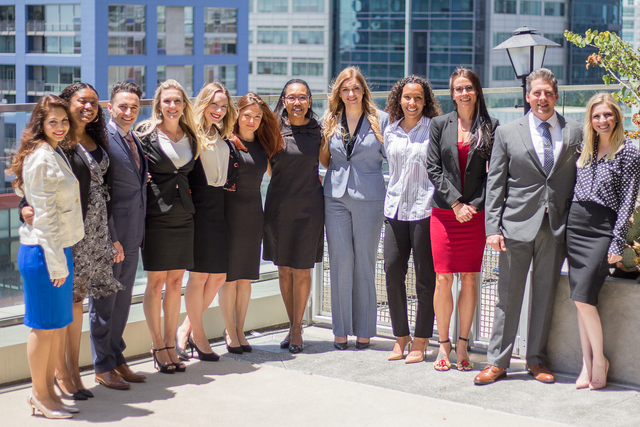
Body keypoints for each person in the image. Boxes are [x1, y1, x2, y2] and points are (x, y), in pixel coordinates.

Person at [475, 68, 583, 385]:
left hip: (556, 227)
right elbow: (495, 185)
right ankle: (497, 361)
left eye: (548, 93)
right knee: (507, 298)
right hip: (514, 227)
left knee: (545, 296)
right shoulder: (508, 132)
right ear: (527, 96)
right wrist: (491, 227)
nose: (542, 98)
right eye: (536, 92)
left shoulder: (575, 131)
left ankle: (536, 359)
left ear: (556, 96)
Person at [23, 83, 122, 397]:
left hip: (92, 228)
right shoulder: (56, 143)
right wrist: (25, 206)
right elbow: (30, 184)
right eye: (82, 101)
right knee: (72, 302)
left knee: (79, 303)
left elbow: (104, 187)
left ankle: (73, 371)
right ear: (67, 104)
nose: (89, 107)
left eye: (94, 102)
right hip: (66, 231)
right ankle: (63, 374)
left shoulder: (94, 137)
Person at [13, 95, 84, 418]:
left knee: (57, 325)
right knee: (43, 328)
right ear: (40, 124)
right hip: (43, 253)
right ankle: (39, 396)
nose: (59, 127)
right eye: (52, 121)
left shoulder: (52, 153)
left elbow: (29, 192)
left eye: (64, 121)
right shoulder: (41, 157)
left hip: (57, 249)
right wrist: (57, 263)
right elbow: (43, 218)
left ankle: (50, 392)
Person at [427, 68, 499, 371]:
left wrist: (473, 206)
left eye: (468, 87)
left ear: (476, 91)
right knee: (443, 278)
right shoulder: (438, 124)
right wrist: (456, 203)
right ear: (452, 93)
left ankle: (462, 344)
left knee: (470, 278)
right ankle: (443, 344)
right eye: (458, 88)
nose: (463, 93)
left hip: (476, 215)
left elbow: (494, 174)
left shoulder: (491, 126)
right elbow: (433, 168)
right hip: (444, 213)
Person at [567, 93, 640, 390]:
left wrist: (616, 242)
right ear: (590, 120)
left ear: (617, 117)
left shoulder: (629, 152)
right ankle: (586, 362)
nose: (602, 121)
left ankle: (600, 361)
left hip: (602, 229)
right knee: (578, 300)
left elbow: (627, 202)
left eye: (608, 115)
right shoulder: (585, 148)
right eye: (596, 116)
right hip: (575, 226)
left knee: (584, 298)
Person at [320, 66, 389, 350]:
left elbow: (392, 158)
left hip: (370, 197)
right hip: (335, 197)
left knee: (364, 262)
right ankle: (340, 330)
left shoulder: (381, 120)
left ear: (364, 91)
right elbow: (325, 160)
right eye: (345, 89)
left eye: (356, 89)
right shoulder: (330, 120)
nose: (351, 94)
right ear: (339, 93)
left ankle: (364, 330)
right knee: (339, 262)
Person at [135, 79, 198, 373]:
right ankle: (157, 344)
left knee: (176, 283)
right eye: (167, 101)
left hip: (184, 215)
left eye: (177, 101)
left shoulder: (191, 135)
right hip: (156, 215)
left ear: (184, 105)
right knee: (156, 282)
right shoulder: (145, 134)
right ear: (158, 104)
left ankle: (172, 344)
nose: (172, 106)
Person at [88, 81, 148, 389]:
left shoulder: (133, 138)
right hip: (111, 236)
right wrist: (110, 237)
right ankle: (102, 364)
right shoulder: (104, 139)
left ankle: (116, 356)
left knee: (123, 300)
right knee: (105, 301)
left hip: (133, 231)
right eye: (122, 106)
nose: (128, 112)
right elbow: (102, 193)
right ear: (110, 108)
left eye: (134, 107)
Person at [175, 82, 239, 361]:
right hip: (198, 207)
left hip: (218, 206)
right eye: (213, 104)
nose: (218, 110)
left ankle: (185, 328)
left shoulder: (221, 135)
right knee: (199, 276)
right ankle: (198, 337)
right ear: (202, 104)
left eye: (223, 106)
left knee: (219, 276)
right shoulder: (191, 135)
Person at [383, 75, 441, 363]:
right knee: (392, 270)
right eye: (407, 97)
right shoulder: (390, 130)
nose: (412, 102)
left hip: (424, 210)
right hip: (394, 209)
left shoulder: (434, 129)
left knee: (425, 279)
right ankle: (400, 336)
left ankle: (420, 339)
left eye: (418, 98)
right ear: (399, 99)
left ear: (425, 101)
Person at [219, 93, 282, 354]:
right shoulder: (226, 142)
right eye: (247, 115)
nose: (252, 120)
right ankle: (229, 330)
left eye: (257, 116)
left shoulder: (263, 146)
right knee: (229, 278)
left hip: (254, 213)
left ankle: (241, 329)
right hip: (228, 213)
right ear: (236, 113)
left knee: (245, 278)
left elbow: (278, 175)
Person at [264, 79, 324, 354]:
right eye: (291, 97)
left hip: (310, 206)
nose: (297, 102)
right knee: (284, 269)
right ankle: (293, 325)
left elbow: (325, 162)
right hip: (279, 206)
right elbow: (267, 167)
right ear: (284, 100)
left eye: (302, 97)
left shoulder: (319, 130)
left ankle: (297, 328)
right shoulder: (273, 128)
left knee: (303, 269)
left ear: (310, 101)